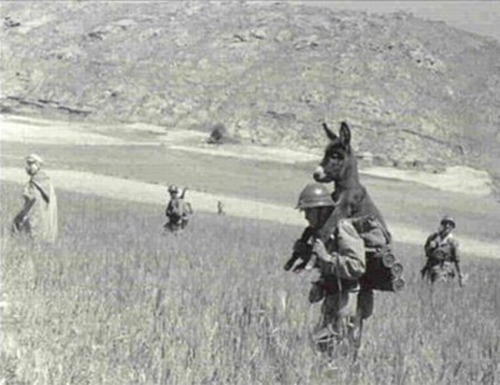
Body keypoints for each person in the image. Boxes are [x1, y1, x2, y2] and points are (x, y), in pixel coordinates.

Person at [289, 183, 368, 352]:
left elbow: (358, 266)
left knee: (341, 349)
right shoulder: (324, 232)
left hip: (348, 301)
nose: (306, 217)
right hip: (332, 297)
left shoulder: (343, 228)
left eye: (309, 211)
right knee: (323, 347)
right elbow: (328, 267)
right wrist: (319, 282)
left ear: (322, 210)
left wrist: (326, 257)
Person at [11, 154, 58, 243]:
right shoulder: (44, 179)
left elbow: (30, 196)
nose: (27, 166)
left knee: (20, 225)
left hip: (37, 212)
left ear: (37, 165)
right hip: (39, 211)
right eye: (27, 163)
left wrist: (25, 190)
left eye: (30, 164)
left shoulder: (38, 179)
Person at [421, 215, 464, 286]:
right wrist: (431, 247)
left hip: (444, 270)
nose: (447, 226)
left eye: (450, 224)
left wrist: (460, 275)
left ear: (452, 227)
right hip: (430, 268)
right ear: (442, 225)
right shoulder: (433, 237)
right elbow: (427, 253)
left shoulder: (453, 243)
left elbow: (457, 260)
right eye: (445, 223)